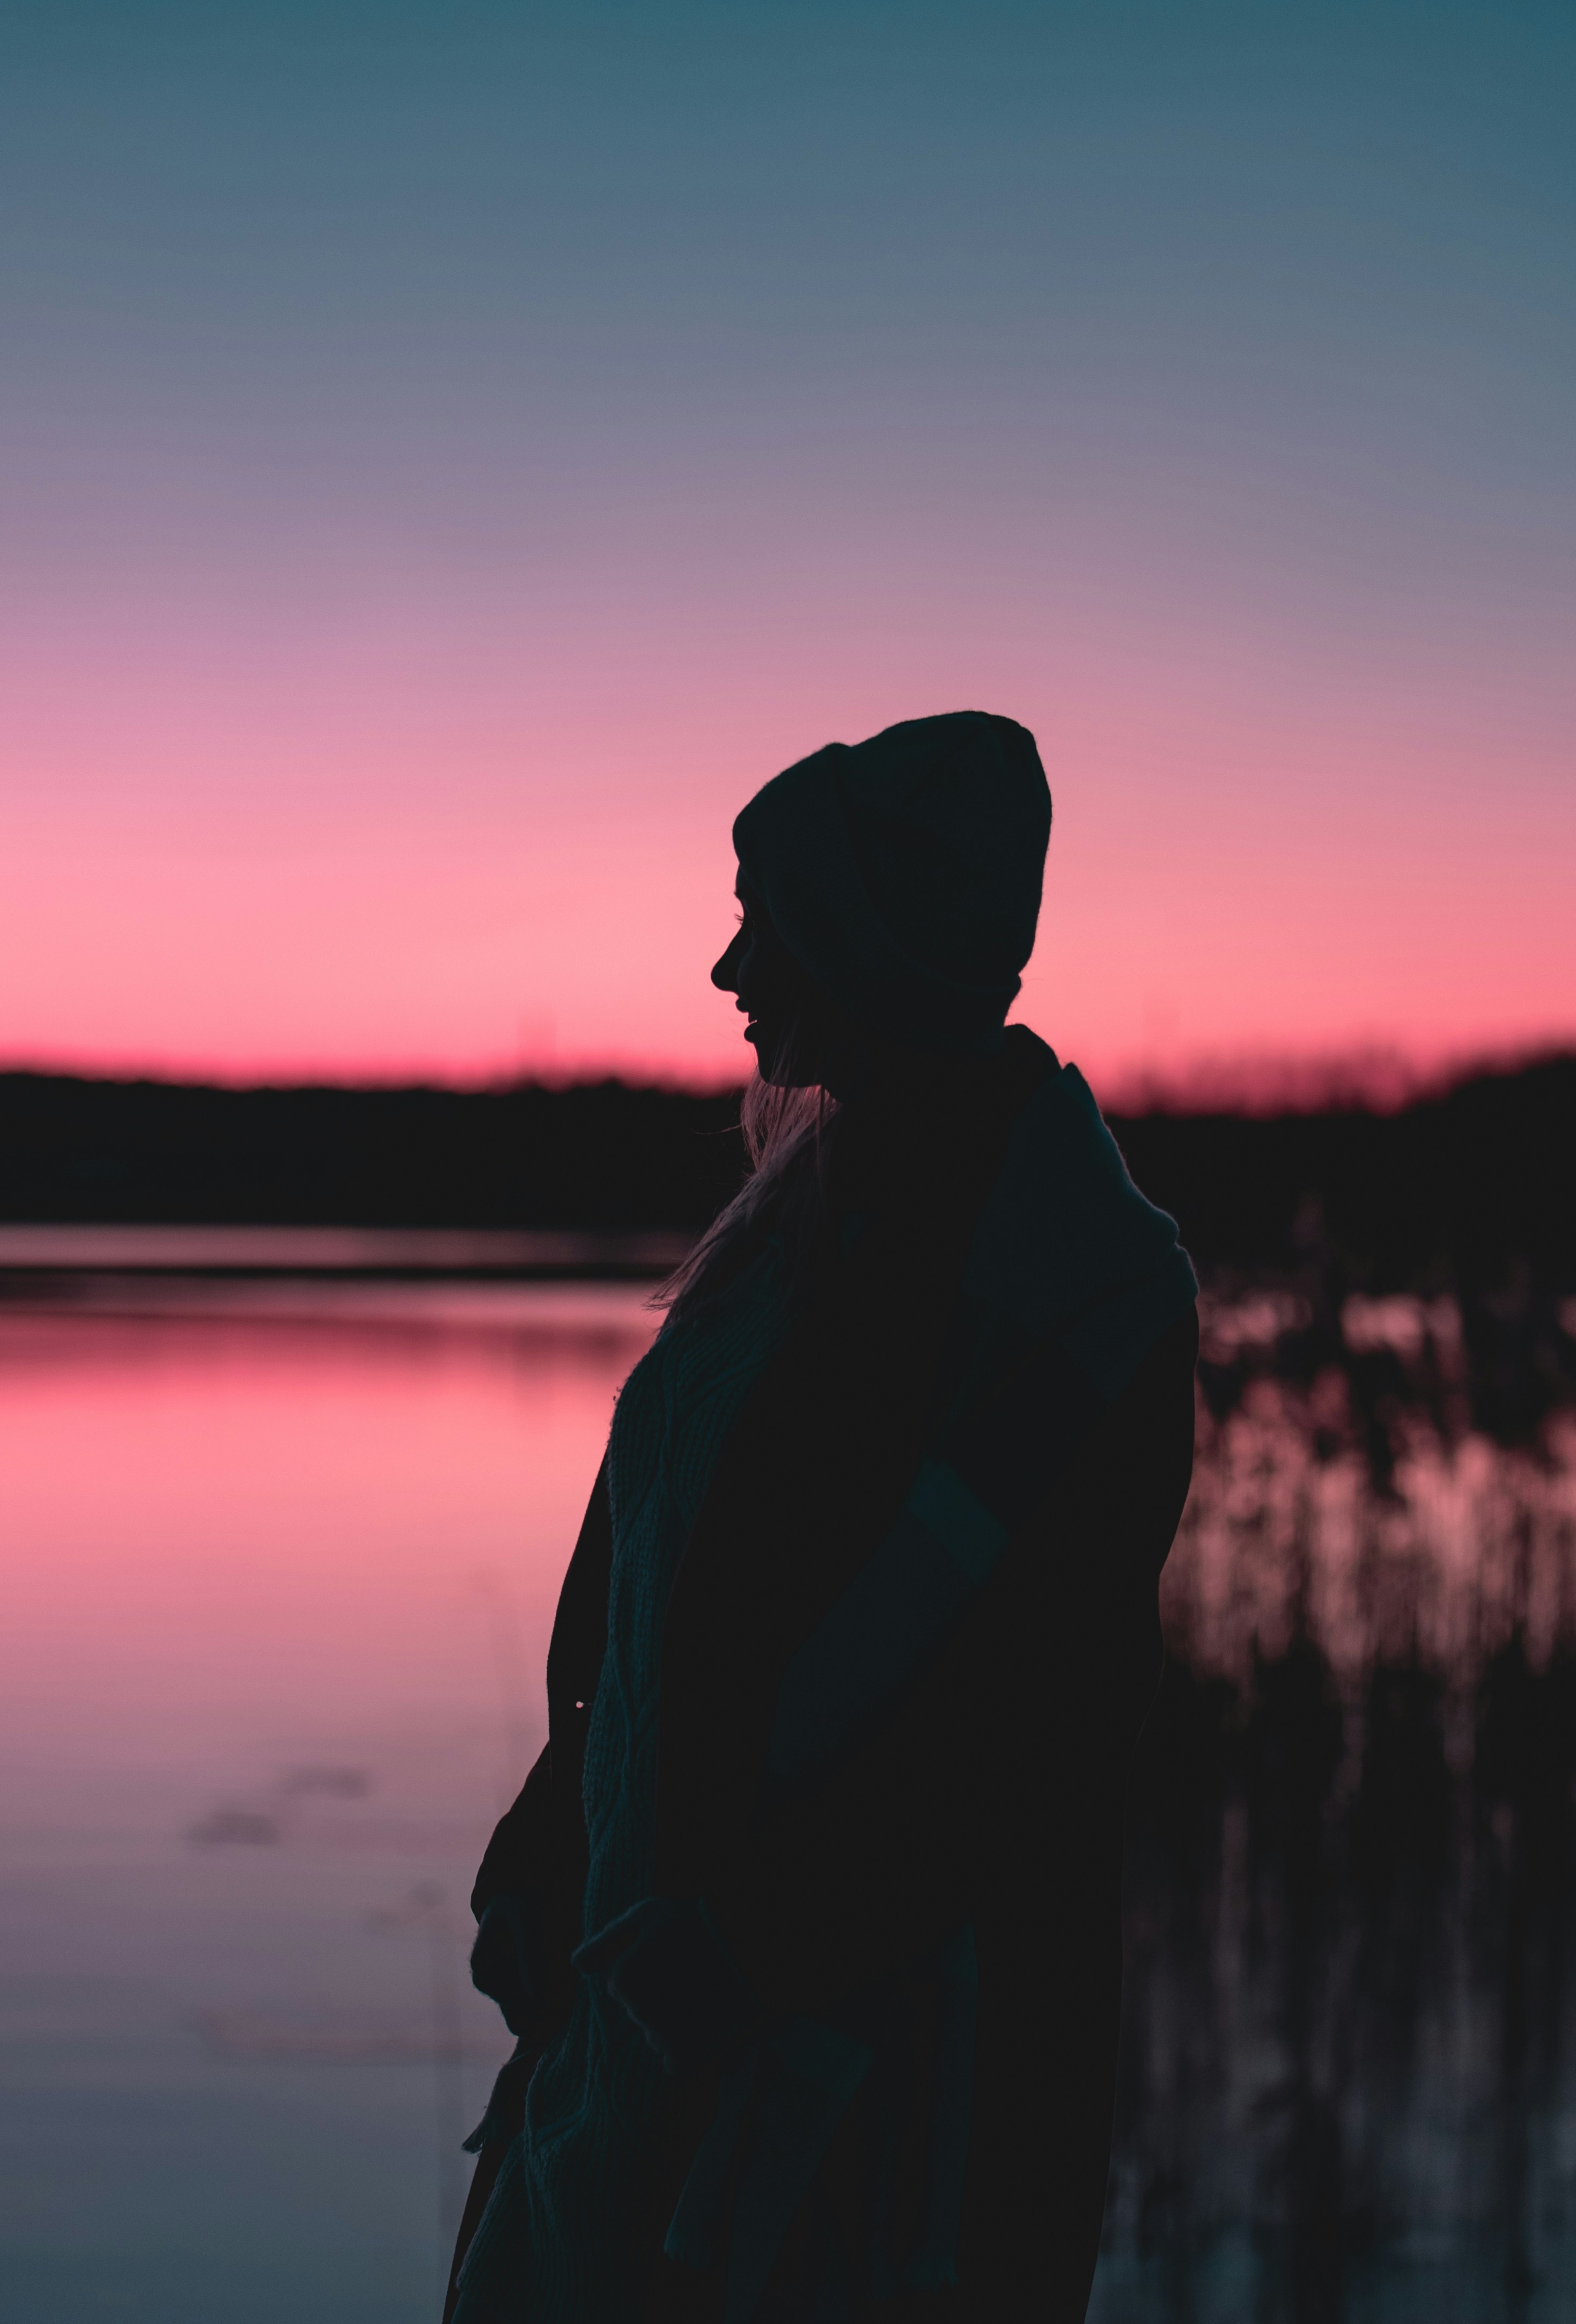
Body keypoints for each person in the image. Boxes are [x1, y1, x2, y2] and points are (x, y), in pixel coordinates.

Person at [445, 713, 1198, 2323]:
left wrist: (718, 1958)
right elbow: (654, 1617)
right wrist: (559, 1824)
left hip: (878, 2108)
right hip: (650, 2031)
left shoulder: (1080, 1294)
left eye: (761, 917)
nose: (728, 967)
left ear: (868, 937)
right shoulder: (792, 1234)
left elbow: (1029, 1741)